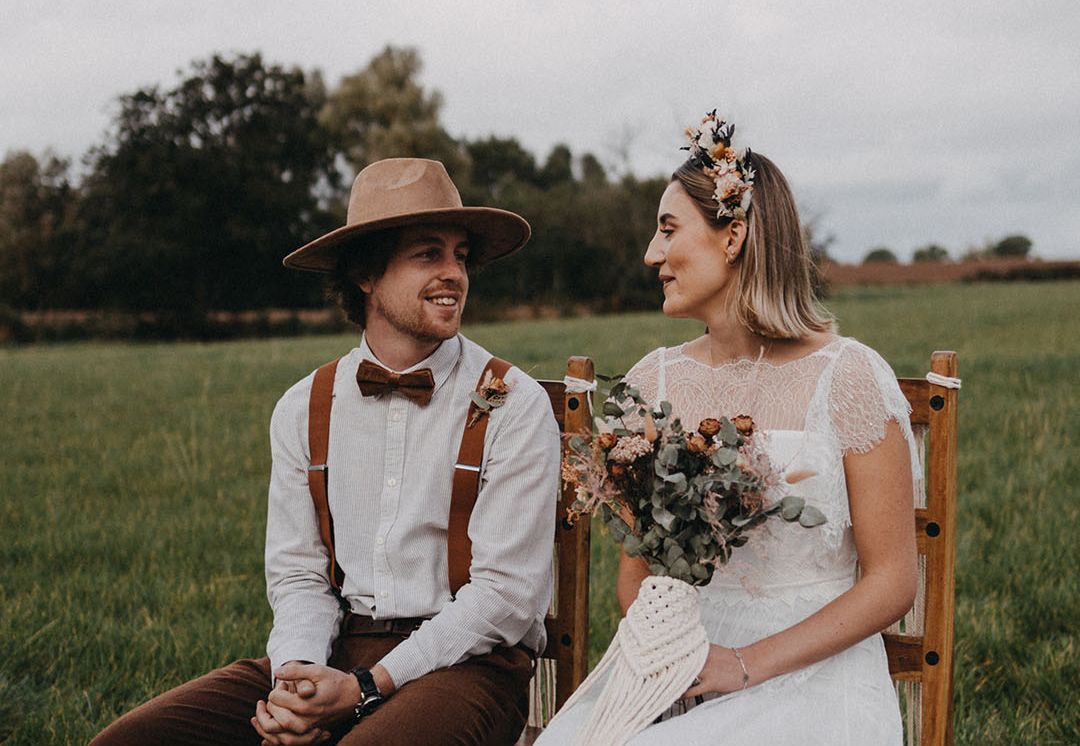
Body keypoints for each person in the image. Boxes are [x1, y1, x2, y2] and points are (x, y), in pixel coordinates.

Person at [92, 158, 561, 746]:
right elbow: (298, 577)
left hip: (467, 665)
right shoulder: (303, 406)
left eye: (460, 255)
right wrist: (296, 685)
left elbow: (507, 599)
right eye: (428, 254)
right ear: (366, 272)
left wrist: (368, 687)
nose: (454, 274)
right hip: (336, 650)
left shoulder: (512, 404)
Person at [539, 113, 918, 744]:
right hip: (680, 663)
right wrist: (677, 657)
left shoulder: (848, 376)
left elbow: (893, 582)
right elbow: (635, 582)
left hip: (816, 675)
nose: (650, 254)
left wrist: (742, 667)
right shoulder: (650, 385)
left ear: (734, 234)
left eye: (667, 230)